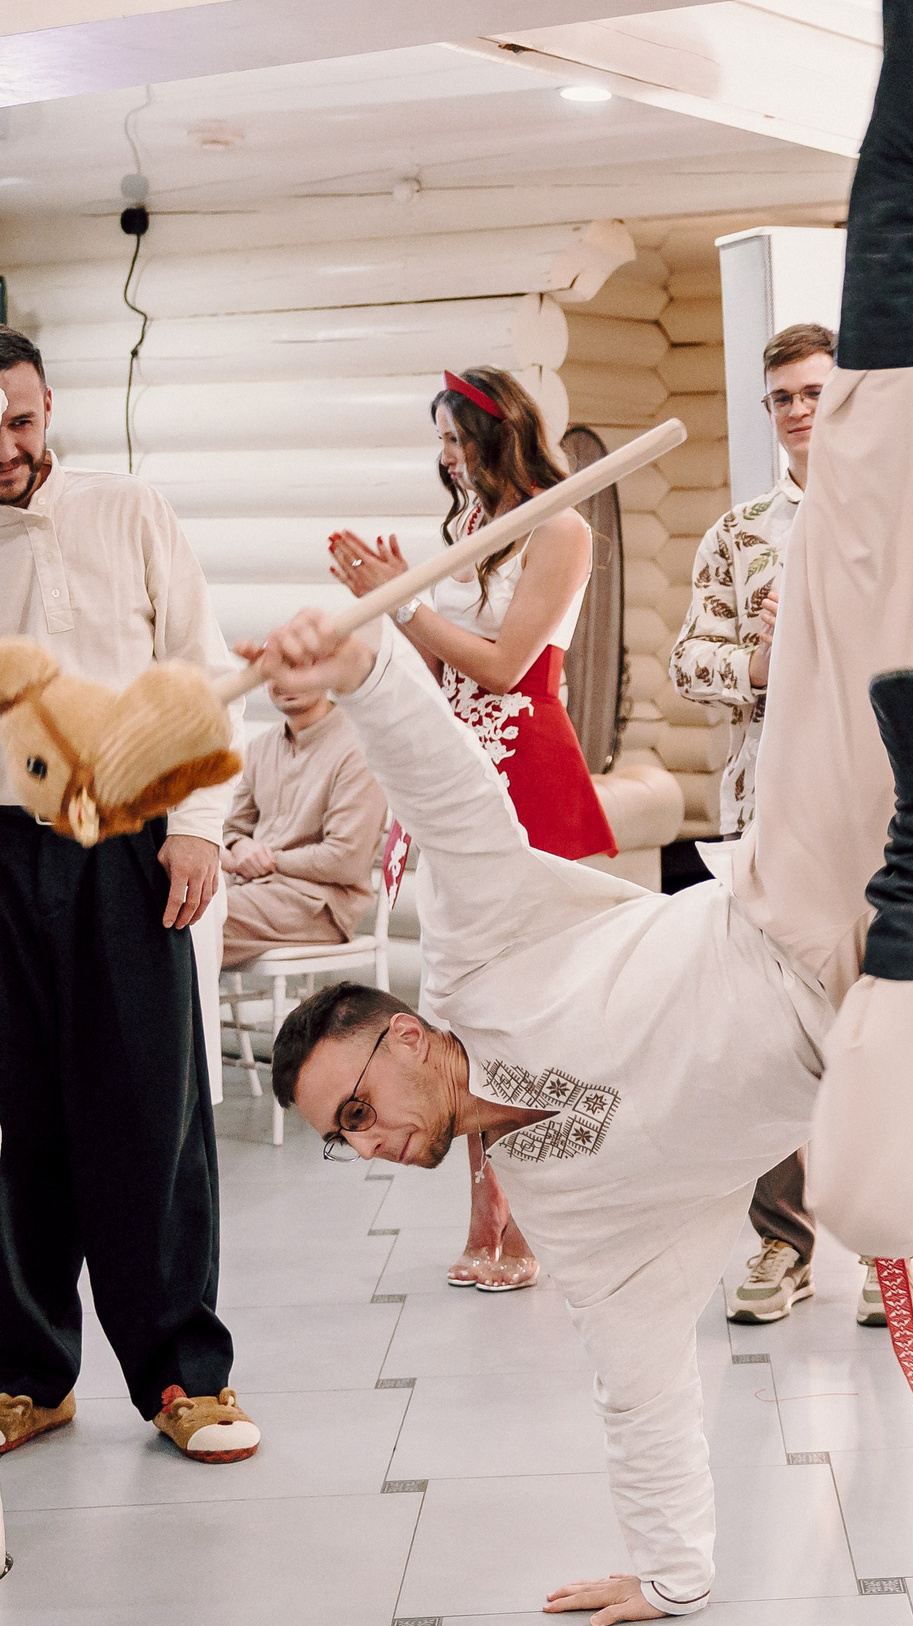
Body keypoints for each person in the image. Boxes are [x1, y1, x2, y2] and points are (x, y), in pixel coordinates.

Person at [259, 0, 913, 1625]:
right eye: (347, 1135)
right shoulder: (586, 1224)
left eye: (363, 1095)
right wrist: (671, 1571)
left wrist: (362, 653)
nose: (373, 1138)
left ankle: (906, 194)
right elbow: (643, 1393)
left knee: (855, 572)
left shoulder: (486, 952)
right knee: (874, 1202)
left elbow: (446, 783)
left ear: (411, 1030)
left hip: (790, 901)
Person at [0, 324, 256, 1464]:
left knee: (151, 1114)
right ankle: (28, 1378)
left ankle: (185, 1377)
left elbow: (200, 670)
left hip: (131, 847)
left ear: (50, 407)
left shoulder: (130, 509)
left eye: (21, 421)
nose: (5, 448)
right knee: (12, 1119)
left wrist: (196, 828)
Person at [669, 320, 913, 1328]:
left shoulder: (908, 526)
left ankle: (889, 1244)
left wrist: (835, 650)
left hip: (875, 814)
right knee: (764, 1033)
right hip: (766, 813)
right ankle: (781, 1239)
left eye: (815, 392)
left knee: (878, 1029)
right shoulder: (738, 534)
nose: (800, 410)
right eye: (783, 397)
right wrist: (762, 661)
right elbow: (688, 661)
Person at [326, 368, 616, 1295]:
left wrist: (407, 602)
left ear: (501, 434)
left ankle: (532, 1221)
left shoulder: (561, 527)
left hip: (524, 760)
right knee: (462, 1008)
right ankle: (481, 1218)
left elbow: (504, 664)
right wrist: (388, 613)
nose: (448, 458)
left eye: (458, 439)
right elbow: (442, 665)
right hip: (456, 767)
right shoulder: (467, 533)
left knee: (529, 1008)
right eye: (441, 443)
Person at [220, 680, 388, 969]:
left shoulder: (358, 748)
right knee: (170, 903)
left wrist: (267, 860)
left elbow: (346, 860)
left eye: (299, 669)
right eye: (276, 671)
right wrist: (240, 844)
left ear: (326, 673)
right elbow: (233, 829)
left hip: (318, 903)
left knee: (195, 918)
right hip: (251, 890)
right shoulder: (260, 747)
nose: (287, 680)